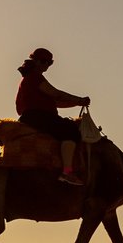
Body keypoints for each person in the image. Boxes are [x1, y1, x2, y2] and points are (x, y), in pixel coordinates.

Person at [14, 47, 90, 185]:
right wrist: (79, 100)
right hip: (37, 117)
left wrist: (76, 103)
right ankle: (67, 172)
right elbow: (56, 94)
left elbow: (54, 102)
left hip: (35, 116)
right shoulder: (34, 77)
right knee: (71, 132)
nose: (46, 65)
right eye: (44, 61)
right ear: (35, 61)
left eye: (49, 62)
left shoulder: (32, 78)